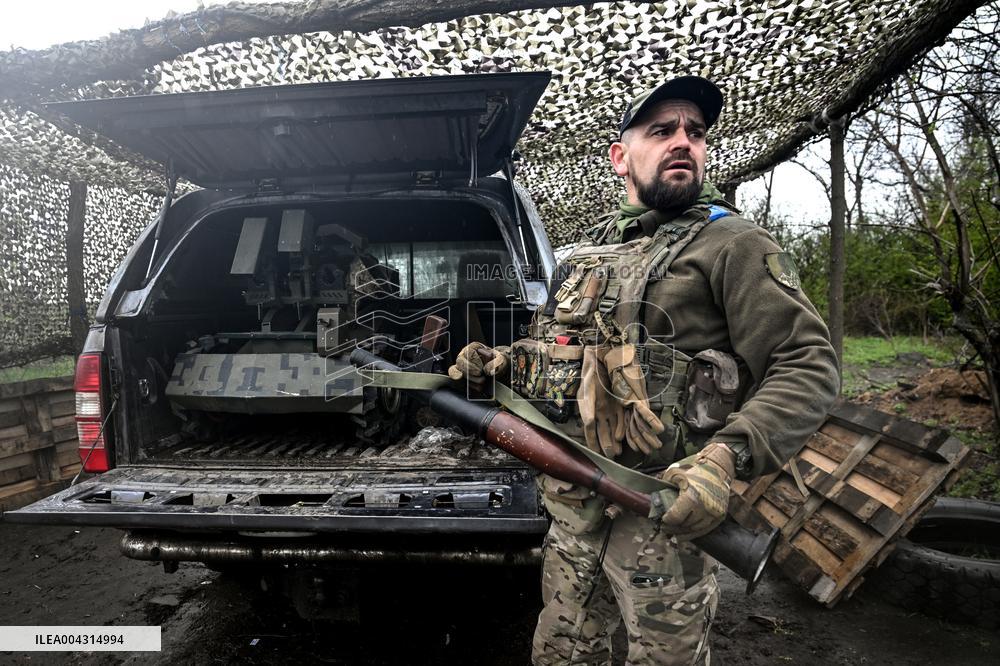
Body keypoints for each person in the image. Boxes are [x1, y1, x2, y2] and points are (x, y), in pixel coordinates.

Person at [450, 76, 840, 665]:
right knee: (561, 655)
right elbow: (558, 355)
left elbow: (807, 364)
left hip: (658, 516)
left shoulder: (731, 243)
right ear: (620, 157)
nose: (683, 141)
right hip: (571, 512)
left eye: (695, 132)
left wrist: (723, 460)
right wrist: (500, 366)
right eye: (662, 131)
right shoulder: (584, 254)